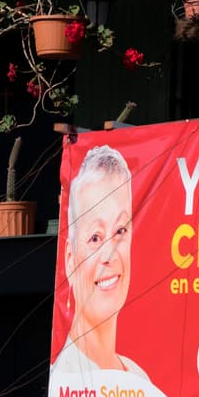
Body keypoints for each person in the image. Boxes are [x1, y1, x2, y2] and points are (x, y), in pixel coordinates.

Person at [51, 144, 143, 376]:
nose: (109, 255)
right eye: (95, 237)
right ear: (70, 259)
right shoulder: (67, 380)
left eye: (120, 231)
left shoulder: (138, 378)